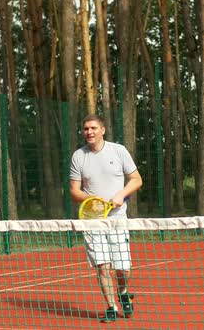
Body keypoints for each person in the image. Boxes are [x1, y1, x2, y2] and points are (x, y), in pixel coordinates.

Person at [69, 114, 143, 323]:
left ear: (103, 130)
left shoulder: (118, 151)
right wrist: (93, 199)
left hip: (118, 218)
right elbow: (75, 191)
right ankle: (111, 306)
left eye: (93, 128)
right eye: (85, 129)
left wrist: (121, 195)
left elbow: (137, 179)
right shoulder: (78, 156)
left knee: (122, 269)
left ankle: (123, 291)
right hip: (92, 220)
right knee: (102, 266)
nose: (89, 132)